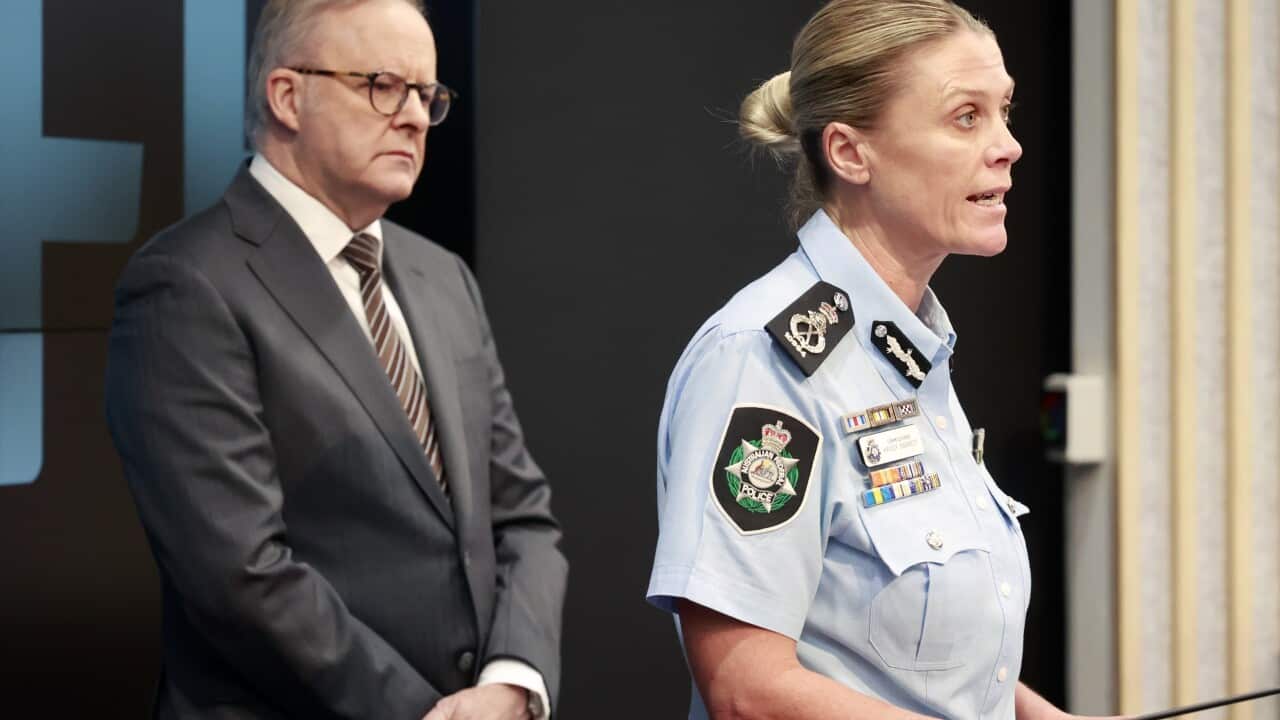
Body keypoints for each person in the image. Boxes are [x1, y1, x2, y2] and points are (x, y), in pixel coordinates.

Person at [105, 1, 565, 718]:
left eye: (427, 94)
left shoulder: (442, 276)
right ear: (287, 96)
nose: (414, 116)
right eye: (383, 84)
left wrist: (513, 682)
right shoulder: (185, 284)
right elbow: (242, 575)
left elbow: (521, 519)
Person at [646, 1, 1094, 718]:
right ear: (851, 152)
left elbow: (923, 670)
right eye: (966, 117)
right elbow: (745, 690)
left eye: (1004, 110)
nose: (1008, 145)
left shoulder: (906, 349)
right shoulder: (765, 360)